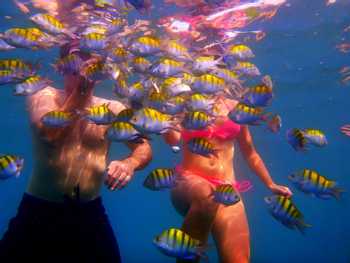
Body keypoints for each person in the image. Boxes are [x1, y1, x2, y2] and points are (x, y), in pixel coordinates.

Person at [0, 3, 152, 262]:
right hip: (39, 212)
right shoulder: (42, 95)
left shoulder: (112, 108)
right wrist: (82, 90)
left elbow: (143, 145)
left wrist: (130, 163)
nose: (82, 65)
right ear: (61, 66)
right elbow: (50, 133)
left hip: (90, 213)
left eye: (88, 57)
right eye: (75, 57)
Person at [164, 96, 292, 263]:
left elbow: (250, 153)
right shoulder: (185, 104)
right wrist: (167, 112)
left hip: (226, 189)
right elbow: (172, 140)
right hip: (189, 182)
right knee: (205, 194)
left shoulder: (236, 108)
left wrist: (270, 183)